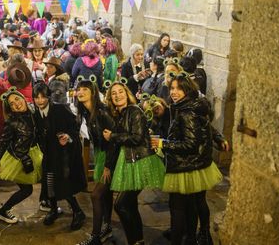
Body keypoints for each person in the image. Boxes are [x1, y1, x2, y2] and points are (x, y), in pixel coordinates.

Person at [150, 75, 222, 245]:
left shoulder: (187, 112)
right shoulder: (190, 106)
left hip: (185, 165)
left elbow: (189, 144)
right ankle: (191, 238)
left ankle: (183, 239)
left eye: (178, 88)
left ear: (187, 90)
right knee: (190, 209)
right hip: (195, 163)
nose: (174, 92)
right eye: (172, 88)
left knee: (178, 210)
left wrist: (163, 143)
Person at [103, 81, 165, 245]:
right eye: (113, 93)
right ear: (110, 98)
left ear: (127, 93)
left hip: (141, 161)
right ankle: (138, 241)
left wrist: (113, 136)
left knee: (121, 205)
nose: (117, 95)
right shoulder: (120, 114)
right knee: (129, 204)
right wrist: (108, 166)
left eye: (120, 92)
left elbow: (136, 138)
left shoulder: (134, 111)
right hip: (131, 160)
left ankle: (135, 241)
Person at [32, 82, 87, 229]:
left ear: (49, 97)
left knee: (63, 184)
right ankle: (53, 209)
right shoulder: (36, 113)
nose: (40, 101)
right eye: (37, 98)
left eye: (43, 97)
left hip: (64, 154)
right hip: (48, 154)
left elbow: (75, 125)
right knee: (49, 183)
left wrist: (68, 136)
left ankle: (78, 212)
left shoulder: (59, 109)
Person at [0, 88, 43, 224]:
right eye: (12, 104)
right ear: (11, 109)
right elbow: (2, 143)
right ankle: (3, 211)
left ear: (23, 98)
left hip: (34, 153)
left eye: (17, 99)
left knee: (46, 176)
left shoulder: (33, 111)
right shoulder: (11, 122)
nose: (16, 104)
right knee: (27, 190)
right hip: (18, 158)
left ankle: (47, 203)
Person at [75, 77, 115, 245]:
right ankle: (107, 228)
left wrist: (108, 166)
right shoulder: (86, 111)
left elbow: (113, 140)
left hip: (112, 156)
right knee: (106, 195)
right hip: (101, 154)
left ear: (93, 93)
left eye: (85, 89)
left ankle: (96, 237)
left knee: (96, 195)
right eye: (79, 89)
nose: (81, 92)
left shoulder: (102, 112)